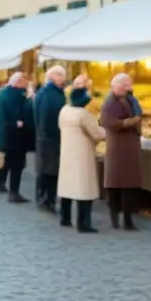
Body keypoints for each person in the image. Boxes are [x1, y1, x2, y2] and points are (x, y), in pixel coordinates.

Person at [57, 79, 105, 233]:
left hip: (67, 153)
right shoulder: (83, 115)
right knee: (84, 189)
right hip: (82, 155)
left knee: (68, 187)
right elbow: (97, 133)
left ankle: (65, 217)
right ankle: (83, 223)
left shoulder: (64, 110)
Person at [100, 73, 144, 230]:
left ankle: (127, 219)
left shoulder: (131, 100)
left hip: (130, 148)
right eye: (126, 85)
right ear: (116, 86)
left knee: (128, 186)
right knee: (115, 186)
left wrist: (136, 121)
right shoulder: (109, 103)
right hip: (117, 149)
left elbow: (138, 115)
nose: (129, 88)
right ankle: (115, 219)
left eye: (129, 85)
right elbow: (108, 122)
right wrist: (129, 122)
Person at [0, 72, 34, 202]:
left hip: (3, 135)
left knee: (5, 161)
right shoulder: (16, 95)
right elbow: (22, 113)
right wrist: (30, 98)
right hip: (15, 137)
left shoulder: (2, 93)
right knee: (16, 165)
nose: (26, 84)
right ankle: (14, 192)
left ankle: (1, 183)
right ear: (18, 82)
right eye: (24, 81)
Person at [34, 65, 67, 212]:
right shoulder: (48, 93)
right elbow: (45, 116)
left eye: (63, 75)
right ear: (52, 77)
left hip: (51, 138)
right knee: (47, 171)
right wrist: (45, 134)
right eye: (59, 75)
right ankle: (45, 199)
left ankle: (49, 199)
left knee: (50, 171)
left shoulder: (55, 92)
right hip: (49, 138)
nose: (63, 78)